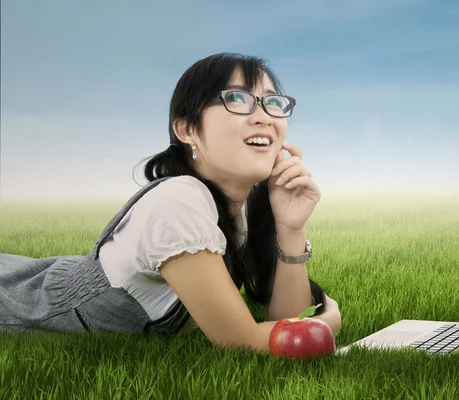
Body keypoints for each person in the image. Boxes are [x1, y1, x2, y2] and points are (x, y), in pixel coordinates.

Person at [0, 52, 342, 353]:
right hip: (20, 302)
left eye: (272, 102)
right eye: (238, 98)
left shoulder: (248, 204)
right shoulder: (177, 202)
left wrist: (291, 226)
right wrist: (328, 322)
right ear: (186, 128)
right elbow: (243, 341)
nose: (264, 116)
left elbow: (287, 320)